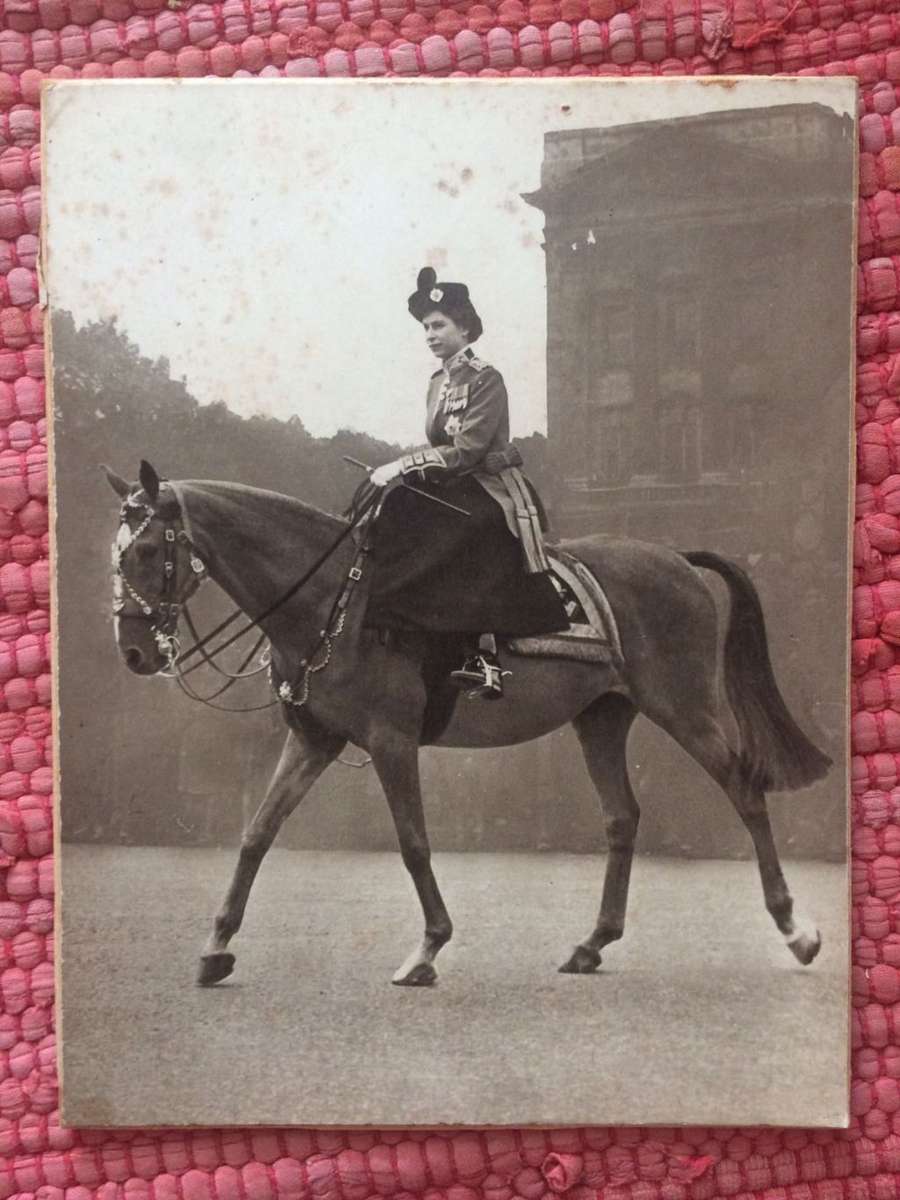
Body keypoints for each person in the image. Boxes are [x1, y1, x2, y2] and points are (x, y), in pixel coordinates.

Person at [364, 267, 568, 700]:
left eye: (439, 325)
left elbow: (469, 449)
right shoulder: (438, 382)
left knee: (461, 529)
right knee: (393, 508)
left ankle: (483, 655)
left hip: (491, 486)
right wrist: (398, 474)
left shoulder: (485, 378)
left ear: (465, 328)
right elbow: (437, 446)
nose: (430, 335)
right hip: (452, 481)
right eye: (425, 327)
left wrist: (402, 465)